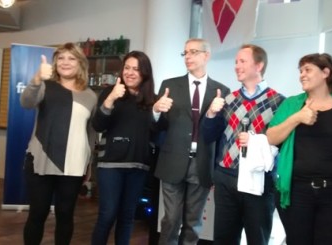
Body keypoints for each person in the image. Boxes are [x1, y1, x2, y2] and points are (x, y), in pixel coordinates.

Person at [266, 53, 332, 245]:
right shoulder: (292, 105)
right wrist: (297, 118)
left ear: (325, 73)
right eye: (300, 71)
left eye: (308, 70)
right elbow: (271, 137)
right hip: (297, 192)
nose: (302, 75)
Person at [202, 44, 285, 245]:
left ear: (259, 66)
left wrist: (257, 142)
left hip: (259, 180)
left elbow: (281, 144)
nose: (236, 66)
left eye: (242, 61)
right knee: (223, 238)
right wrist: (211, 114)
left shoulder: (279, 102)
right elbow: (208, 135)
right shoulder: (228, 100)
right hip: (226, 178)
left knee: (258, 238)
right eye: (236, 62)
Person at [153, 38, 230, 245]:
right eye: (185, 53)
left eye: (193, 52)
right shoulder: (169, 86)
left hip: (202, 162)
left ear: (206, 55)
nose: (188, 56)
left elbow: (219, 134)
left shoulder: (221, 91)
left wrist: (214, 113)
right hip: (172, 161)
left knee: (193, 222)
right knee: (170, 219)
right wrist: (156, 111)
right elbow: (157, 128)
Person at [20, 42, 97, 245]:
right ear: (55, 63)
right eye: (61, 58)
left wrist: (89, 164)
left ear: (80, 63)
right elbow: (26, 102)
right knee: (38, 213)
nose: (65, 62)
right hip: (40, 160)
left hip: (73, 164)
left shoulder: (90, 96)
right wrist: (36, 78)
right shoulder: (45, 86)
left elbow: (90, 132)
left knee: (65, 215)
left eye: (71, 58)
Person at [90, 51, 157, 245]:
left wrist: (159, 113)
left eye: (136, 68)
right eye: (127, 67)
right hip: (110, 164)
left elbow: (157, 131)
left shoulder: (153, 99)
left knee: (127, 217)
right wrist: (110, 99)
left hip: (138, 166)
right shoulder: (110, 92)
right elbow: (97, 125)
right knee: (108, 214)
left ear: (145, 72)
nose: (130, 72)